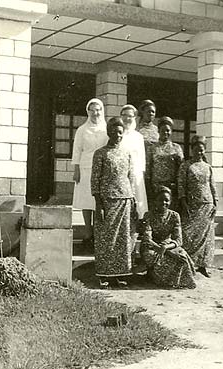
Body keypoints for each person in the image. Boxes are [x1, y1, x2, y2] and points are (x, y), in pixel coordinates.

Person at [91, 117, 137, 288]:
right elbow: (95, 180)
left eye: (120, 131)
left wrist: (132, 199)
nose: (117, 134)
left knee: (123, 239)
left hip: (125, 199)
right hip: (107, 200)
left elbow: (130, 178)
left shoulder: (127, 153)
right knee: (106, 237)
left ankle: (121, 274)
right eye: (114, 131)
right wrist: (99, 203)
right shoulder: (100, 153)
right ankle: (104, 275)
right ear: (108, 132)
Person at [140, 186, 196, 289]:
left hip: (168, 245)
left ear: (170, 202)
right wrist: (163, 250)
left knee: (181, 255)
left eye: (167, 200)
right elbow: (147, 239)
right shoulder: (149, 215)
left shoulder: (175, 216)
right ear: (155, 201)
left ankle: (177, 281)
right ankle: (155, 277)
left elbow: (179, 240)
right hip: (152, 247)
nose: (164, 203)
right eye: (160, 200)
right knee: (152, 255)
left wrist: (167, 248)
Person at [178, 135, 217, 278]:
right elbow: (181, 185)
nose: (198, 153)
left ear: (204, 151)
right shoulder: (186, 166)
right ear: (191, 149)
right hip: (192, 204)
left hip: (207, 204)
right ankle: (189, 264)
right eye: (196, 150)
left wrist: (216, 202)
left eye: (201, 150)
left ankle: (203, 266)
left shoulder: (208, 167)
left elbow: (212, 185)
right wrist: (183, 202)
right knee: (189, 235)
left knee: (206, 237)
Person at [71, 98, 108, 248]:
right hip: (86, 168)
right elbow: (77, 149)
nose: (95, 113)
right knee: (86, 201)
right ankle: (88, 232)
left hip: (102, 168)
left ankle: (98, 233)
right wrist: (76, 169)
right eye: (92, 110)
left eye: (98, 109)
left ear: (102, 111)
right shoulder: (82, 130)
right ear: (88, 112)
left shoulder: (107, 128)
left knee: (98, 201)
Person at [146, 116, 184, 211]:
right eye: (163, 130)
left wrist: (177, 187)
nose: (165, 133)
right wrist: (149, 188)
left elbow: (181, 169)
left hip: (171, 187)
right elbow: (148, 168)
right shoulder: (152, 148)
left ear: (171, 131)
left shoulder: (176, 148)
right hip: (156, 187)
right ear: (158, 131)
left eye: (168, 130)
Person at [120, 104, 148, 219]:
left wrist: (140, 174)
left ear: (135, 117)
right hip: (121, 173)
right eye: (124, 115)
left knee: (138, 200)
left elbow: (141, 158)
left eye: (130, 116)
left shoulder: (138, 136)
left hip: (135, 173)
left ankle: (138, 226)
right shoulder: (117, 134)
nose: (127, 119)